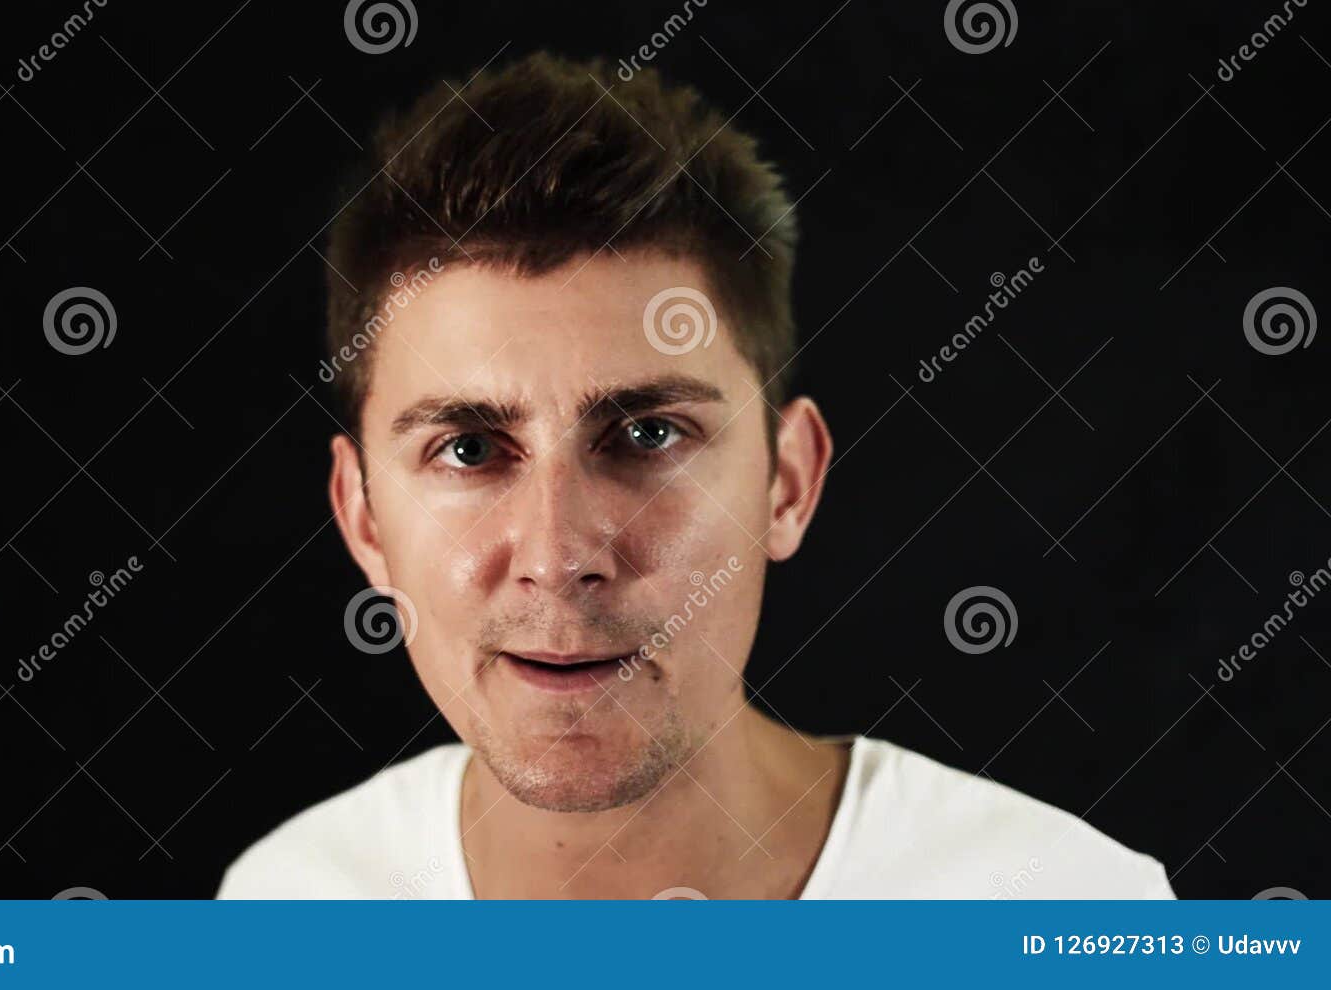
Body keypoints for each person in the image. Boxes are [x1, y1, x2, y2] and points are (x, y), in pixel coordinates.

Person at [218, 53, 1174, 899]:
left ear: (787, 483)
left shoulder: (1066, 910)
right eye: (469, 449)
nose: (559, 556)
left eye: (644, 435)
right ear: (365, 521)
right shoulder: (287, 905)